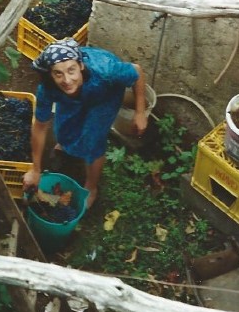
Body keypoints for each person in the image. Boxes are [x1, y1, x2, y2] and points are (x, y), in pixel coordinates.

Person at [23, 39, 147, 208]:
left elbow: (137, 72)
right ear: (50, 75)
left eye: (71, 70)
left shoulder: (106, 72)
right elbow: (40, 126)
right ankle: (66, 145)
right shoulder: (48, 88)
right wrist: (35, 169)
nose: (67, 80)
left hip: (104, 95)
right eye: (58, 73)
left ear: (80, 65)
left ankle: (91, 187)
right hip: (70, 98)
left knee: (93, 138)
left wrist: (140, 112)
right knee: (63, 126)